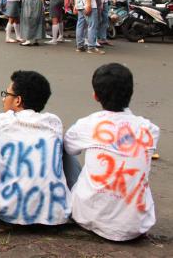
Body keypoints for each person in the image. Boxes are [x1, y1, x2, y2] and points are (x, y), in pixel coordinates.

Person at [65, 63, 159, 241]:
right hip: (136, 225)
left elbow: (69, 149)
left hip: (86, 217)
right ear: (130, 93)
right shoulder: (150, 129)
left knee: (66, 153)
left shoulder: (86, 124)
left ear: (95, 96)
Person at [0, 70, 78, 225]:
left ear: (17, 101)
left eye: (7, 94)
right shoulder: (54, 122)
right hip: (57, 216)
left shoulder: (1, 121)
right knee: (63, 150)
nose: (4, 98)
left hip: (7, 214)